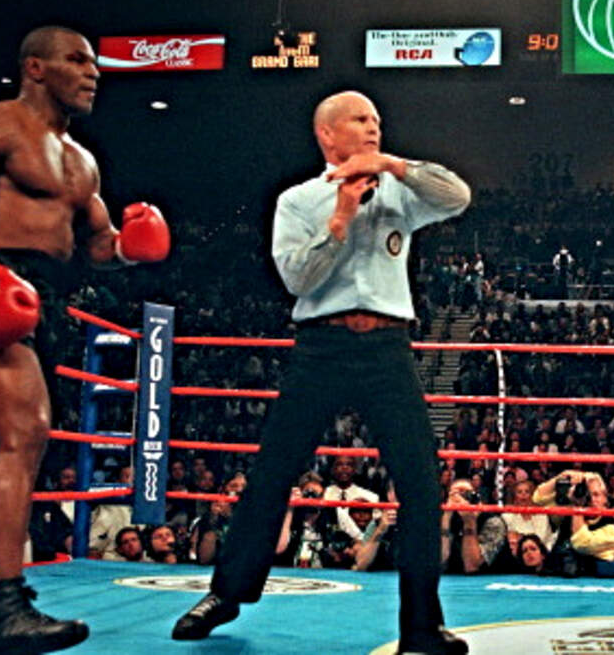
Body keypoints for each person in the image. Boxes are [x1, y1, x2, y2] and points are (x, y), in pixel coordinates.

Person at [0, 25, 170, 654]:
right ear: (36, 68)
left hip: (43, 303)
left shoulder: (82, 161)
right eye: (77, 60)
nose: (92, 72)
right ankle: (8, 607)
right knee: (25, 432)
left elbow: (96, 246)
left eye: (95, 63)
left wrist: (131, 246)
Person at [172, 89, 471, 654]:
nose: (373, 126)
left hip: (387, 346)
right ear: (327, 135)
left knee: (418, 481)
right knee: (272, 473)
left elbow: (457, 196)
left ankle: (421, 627)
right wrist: (340, 218)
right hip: (321, 345)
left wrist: (392, 165)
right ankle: (226, 593)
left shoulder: (399, 192)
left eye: (377, 119)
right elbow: (296, 280)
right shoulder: (297, 200)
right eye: (360, 119)